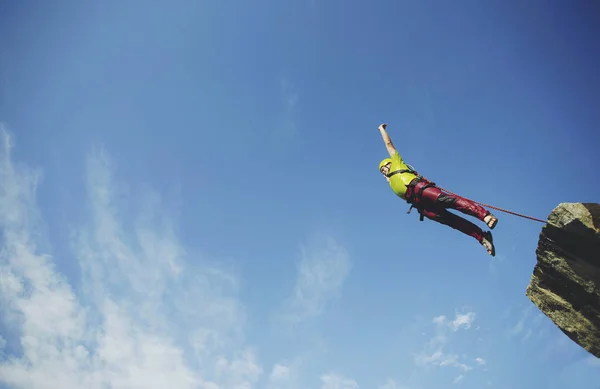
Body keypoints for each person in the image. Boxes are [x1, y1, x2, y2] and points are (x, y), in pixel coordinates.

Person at [376, 123, 498, 256]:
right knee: (452, 221)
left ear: (390, 163)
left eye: (384, 167)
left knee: (450, 201)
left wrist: (382, 130)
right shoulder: (390, 182)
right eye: (382, 171)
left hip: (419, 188)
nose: (384, 171)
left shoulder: (397, 163)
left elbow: (388, 144)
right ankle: (482, 237)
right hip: (420, 205)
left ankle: (484, 215)